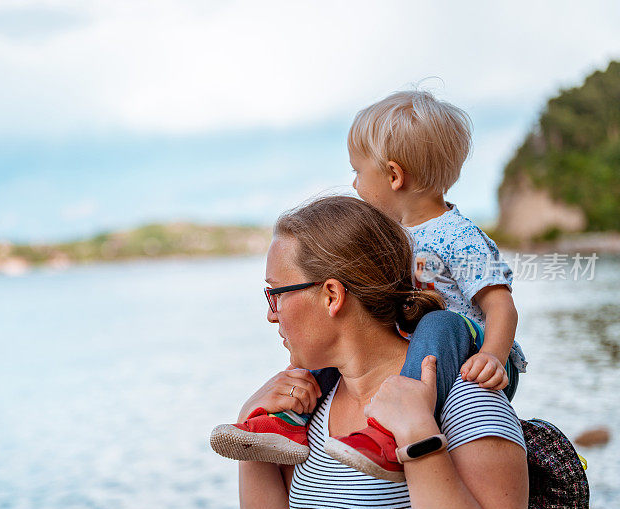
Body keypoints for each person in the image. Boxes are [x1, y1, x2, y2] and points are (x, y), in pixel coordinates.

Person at [211, 90, 526, 479]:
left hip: (472, 351)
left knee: (437, 322)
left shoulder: (459, 236)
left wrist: (493, 357)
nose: (355, 184)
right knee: (330, 342)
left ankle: (390, 433)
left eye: (359, 172)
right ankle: (286, 423)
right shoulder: (394, 238)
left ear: (394, 176)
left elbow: (501, 305)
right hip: (418, 347)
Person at [237, 196, 528, 509]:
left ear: (332, 296)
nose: (271, 315)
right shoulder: (308, 408)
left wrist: (419, 437)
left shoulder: (468, 399)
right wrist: (250, 434)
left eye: (276, 294)